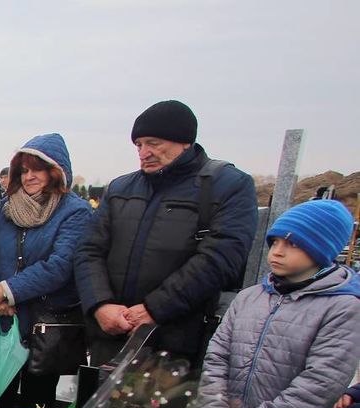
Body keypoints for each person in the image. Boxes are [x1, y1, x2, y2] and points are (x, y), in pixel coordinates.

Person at [75, 100, 258, 366]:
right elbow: (88, 250)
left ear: (184, 141)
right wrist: (100, 305)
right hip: (113, 334)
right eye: (138, 145)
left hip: (175, 344)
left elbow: (221, 257)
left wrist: (154, 309)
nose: (144, 152)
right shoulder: (121, 188)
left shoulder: (226, 185)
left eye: (153, 143)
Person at [197, 199, 360, 408]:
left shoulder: (342, 308)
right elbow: (217, 355)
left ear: (322, 248)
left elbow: (322, 382)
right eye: (275, 241)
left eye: (293, 244)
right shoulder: (250, 297)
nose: (278, 251)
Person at [0, 134, 93, 408]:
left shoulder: (75, 212)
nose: (29, 177)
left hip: (45, 329)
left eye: (37, 169)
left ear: (56, 171)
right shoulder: (6, 207)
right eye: (24, 170)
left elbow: (60, 265)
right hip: (3, 322)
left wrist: (8, 290)